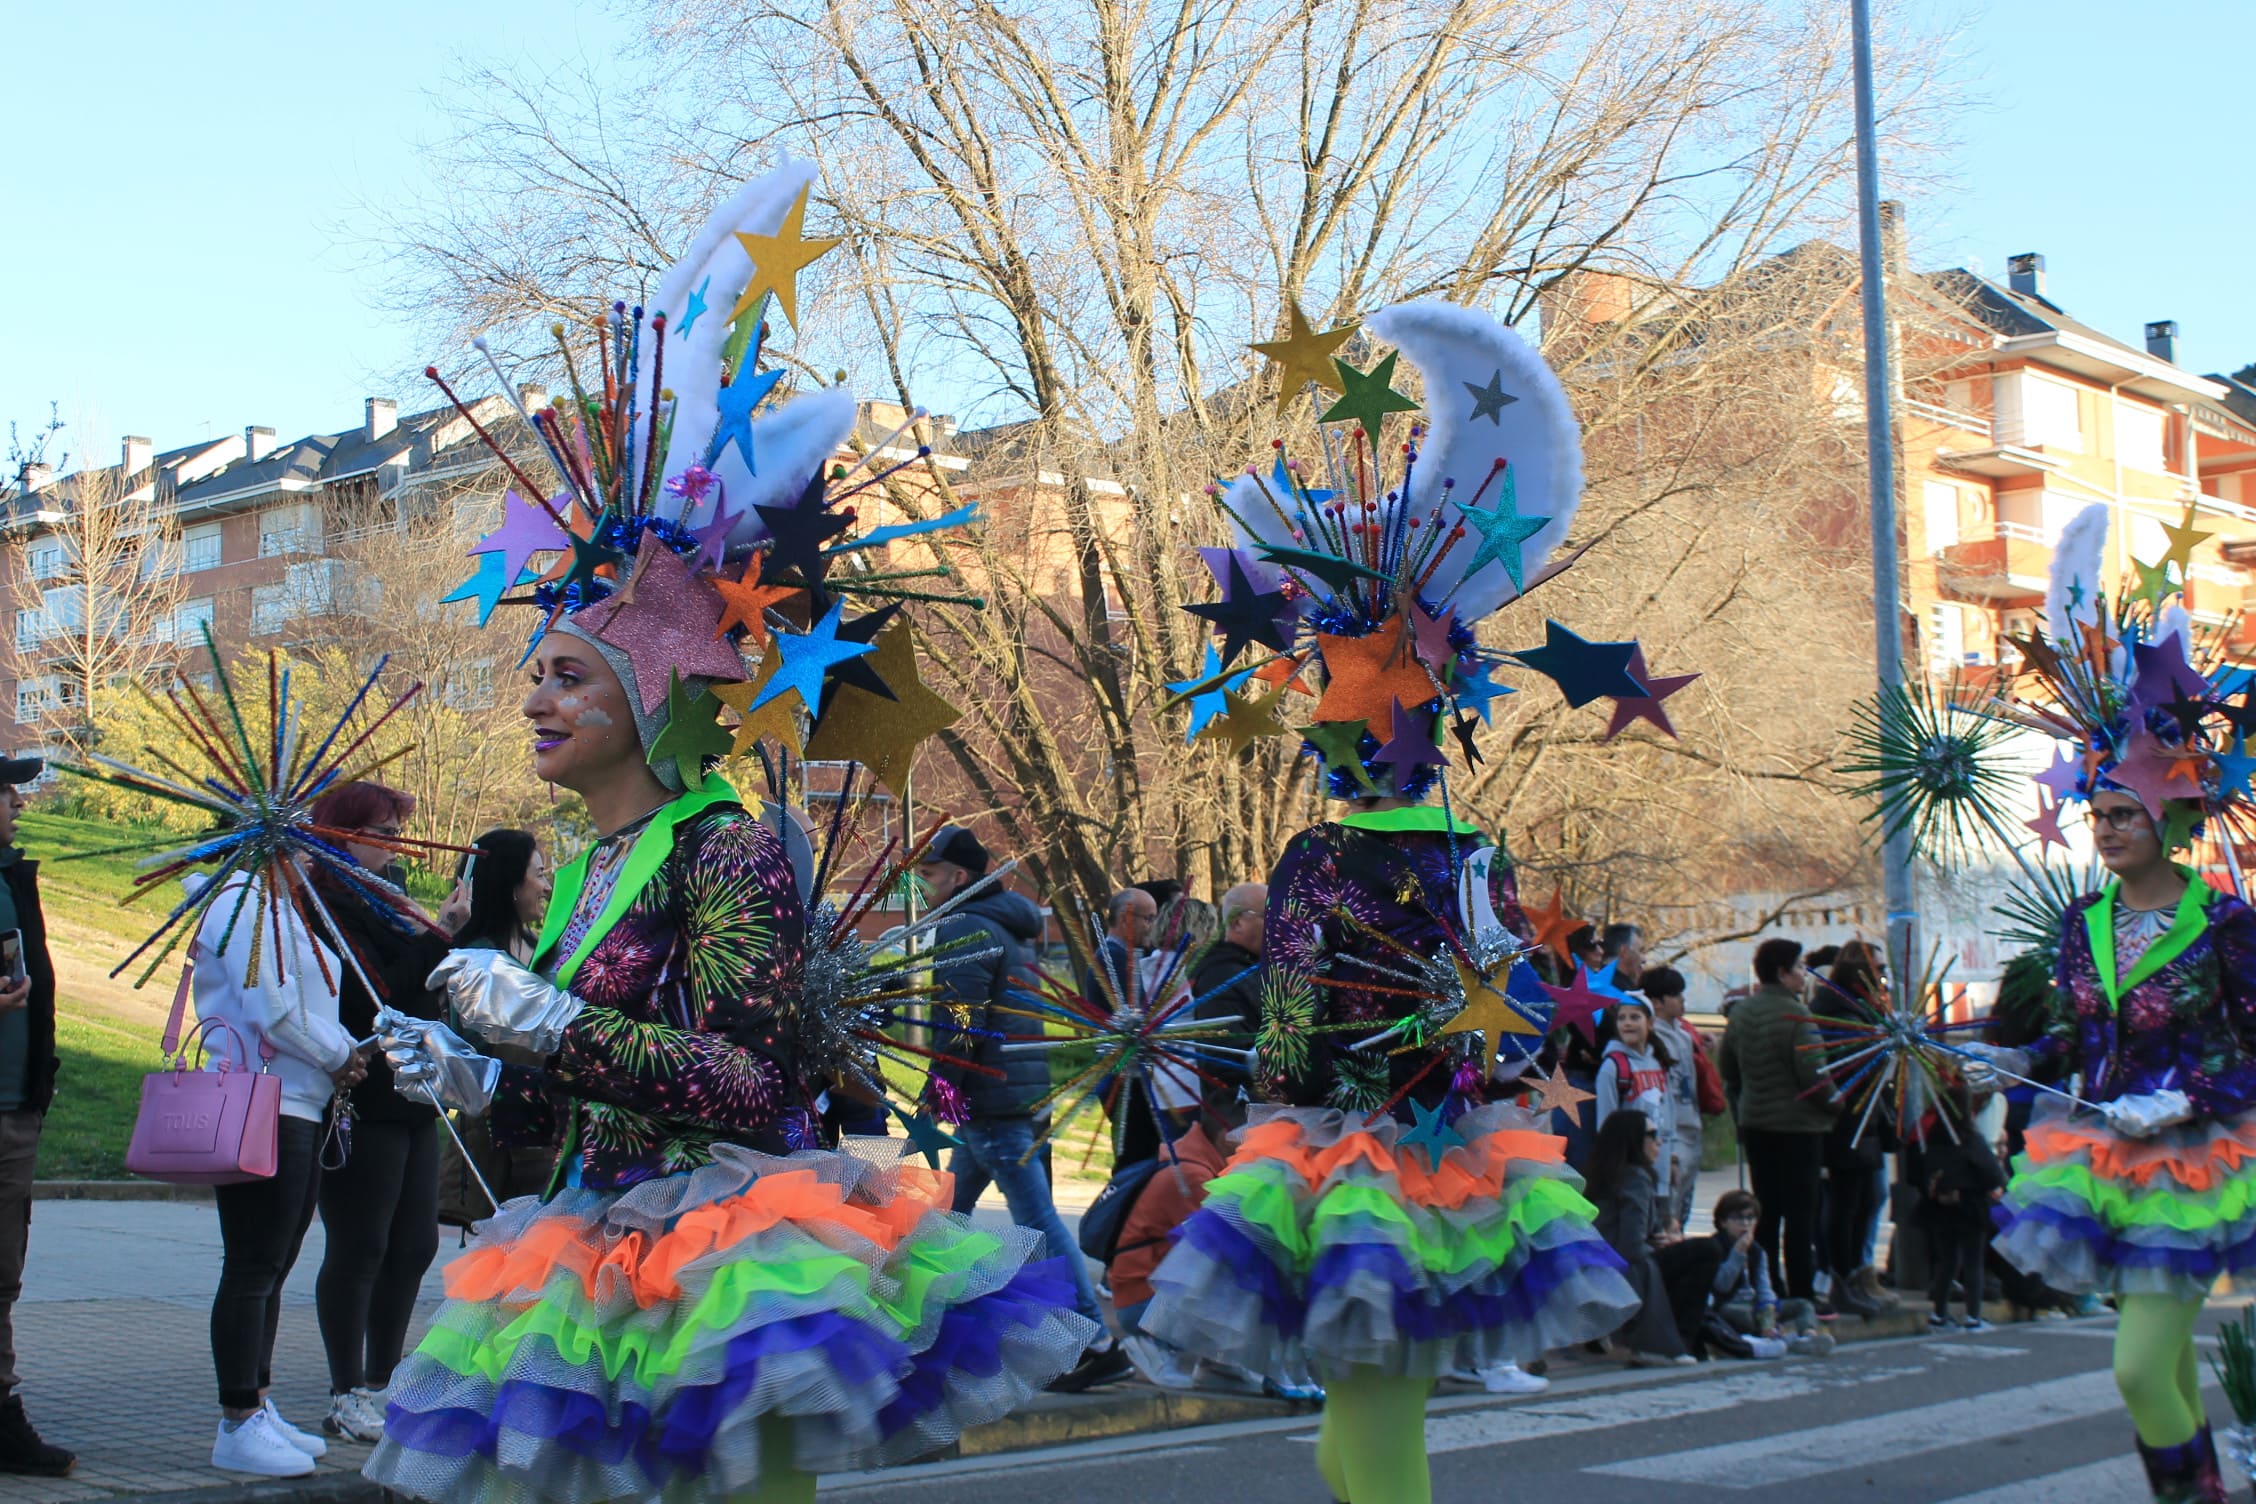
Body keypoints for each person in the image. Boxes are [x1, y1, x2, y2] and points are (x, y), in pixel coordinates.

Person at [363, 169, 1096, 1502]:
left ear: (654, 695)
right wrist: (478, 1073)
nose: (535, 696)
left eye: (570, 674)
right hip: (589, 1246)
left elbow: (755, 1087)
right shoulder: (584, 864)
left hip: (733, 1257)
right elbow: (580, 1089)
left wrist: (545, 1021)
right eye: (537, 669)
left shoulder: (730, 849)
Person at [919, 825, 1128, 1393]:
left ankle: (1094, 1341)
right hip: (1015, 1091)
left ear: (958, 878)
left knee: (1035, 1221)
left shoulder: (963, 924)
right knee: (946, 1216)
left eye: (930, 876)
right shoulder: (1011, 925)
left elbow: (960, 1016)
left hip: (991, 1099)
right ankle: (927, 1328)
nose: (923, 888)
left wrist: (945, 1086)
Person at [192, 844, 369, 1477]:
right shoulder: (242, 903)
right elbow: (275, 1011)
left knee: (273, 1262)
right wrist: (339, 1053)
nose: (318, 860)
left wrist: (343, 1051)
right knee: (252, 1263)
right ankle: (237, 1417)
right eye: (306, 847)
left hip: (297, 1099)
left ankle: (257, 1402)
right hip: (264, 1098)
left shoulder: (275, 905)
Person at [301, 781, 457, 1444]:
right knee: (361, 1241)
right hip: (360, 1092)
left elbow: (418, 991)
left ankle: (382, 1378)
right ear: (347, 834)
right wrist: (444, 933)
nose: (397, 845)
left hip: (411, 1091)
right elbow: (378, 996)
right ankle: (346, 1390)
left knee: (415, 1240)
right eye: (385, 832)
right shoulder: (325, 903)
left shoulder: (388, 901)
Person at [0, 760, 71, 1476]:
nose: (17, 802)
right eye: (5, 789)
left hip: (15, 1103)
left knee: (3, 1271)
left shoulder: (12, 879)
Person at [1716, 937, 1840, 1308]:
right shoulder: (1796, 1016)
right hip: (1799, 1128)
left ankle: (1765, 1285)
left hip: (1756, 1124)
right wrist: (1836, 1103)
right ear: (1782, 972)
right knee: (1801, 1213)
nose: (1804, 975)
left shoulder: (1742, 1014)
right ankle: (1801, 1290)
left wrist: (1744, 1106)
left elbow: (1729, 1069)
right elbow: (1814, 1075)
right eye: (1800, 967)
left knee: (1765, 1210)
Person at [1815, 940, 1890, 1320]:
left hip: (1865, 1117)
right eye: (1877, 969)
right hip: (1845, 1121)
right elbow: (1835, 1061)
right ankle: (1840, 1279)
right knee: (1845, 1206)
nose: (1882, 977)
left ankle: (1854, 1277)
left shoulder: (1862, 1009)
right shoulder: (1833, 1009)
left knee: (1865, 1201)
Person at [1584, 1109, 1695, 1366]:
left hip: (1597, 1267)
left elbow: (1644, 1233)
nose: (1659, 1141)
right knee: (1706, 1251)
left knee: (1684, 1253)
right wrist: (1662, 1247)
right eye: (1652, 1135)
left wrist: (1663, 1240)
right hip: (1620, 1268)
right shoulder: (1636, 1177)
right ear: (1633, 1140)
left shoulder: (1607, 1175)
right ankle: (1671, 1343)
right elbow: (1632, 1245)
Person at [1667, 1190, 1832, 1359]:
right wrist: (1737, 1255)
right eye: (1738, 1219)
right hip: (1728, 1304)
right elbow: (1721, 1285)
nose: (1745, 1224)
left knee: (1803, 1304)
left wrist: (1768, 1312)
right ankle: (1771, 1339)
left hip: (1755, 1306)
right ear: (1723, 1222)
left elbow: (1764, 1287)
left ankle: (1807, 1337)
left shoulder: (1757, 1251)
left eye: (1750, 1218)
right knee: (1739, 1315)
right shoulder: (1714, 1247)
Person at [1914, 1080, 2006, 1333]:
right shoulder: (1970, 1138)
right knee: (1973, 1260)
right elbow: (1992, 1174)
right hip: (1970, 1206)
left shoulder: (1932, 1138)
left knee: (1947, 1261)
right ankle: (1973, 1316)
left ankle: (1938, 1314)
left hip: (1939, 1207)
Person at [1594, 996, 1676, 1232]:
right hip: (1630, 1174)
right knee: (1638, 1236)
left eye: (1634, 1017)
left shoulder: (1659, 1063)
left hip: (1660, 1170)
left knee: (1664, 1232)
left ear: (1650, 1023)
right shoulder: (1612, 1068)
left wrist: (1673, 1158)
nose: (1627, 1023)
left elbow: (1668, 1116)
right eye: (1621, 1018)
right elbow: (1605, 1125)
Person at [1643, 967, 1715, 1234]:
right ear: (1658, 1002)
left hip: (1691, 1123)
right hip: (1670, 1134)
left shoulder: (1684, 1035)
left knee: (1684, 1203)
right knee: (1668, 1208)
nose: (1682, 1001)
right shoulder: (1653, 1038)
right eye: (1676, 995)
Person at [1190, 882, 1265, 1090]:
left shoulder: (1251, 965)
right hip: (1243, 1107)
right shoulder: (1221, 973)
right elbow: (1225, 1055)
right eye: (1268, 915)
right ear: (1238, 923)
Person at [435, 827, 551, 962]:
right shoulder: (479, 962)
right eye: (540, 874)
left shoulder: (537, 946)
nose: (548, 887)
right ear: (511, 884)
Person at [1600, 922, 1646, 989]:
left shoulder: (1586, 981)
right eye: (1640, 950)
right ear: (1624, 951)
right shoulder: (1626, 994)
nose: (1644, 959)